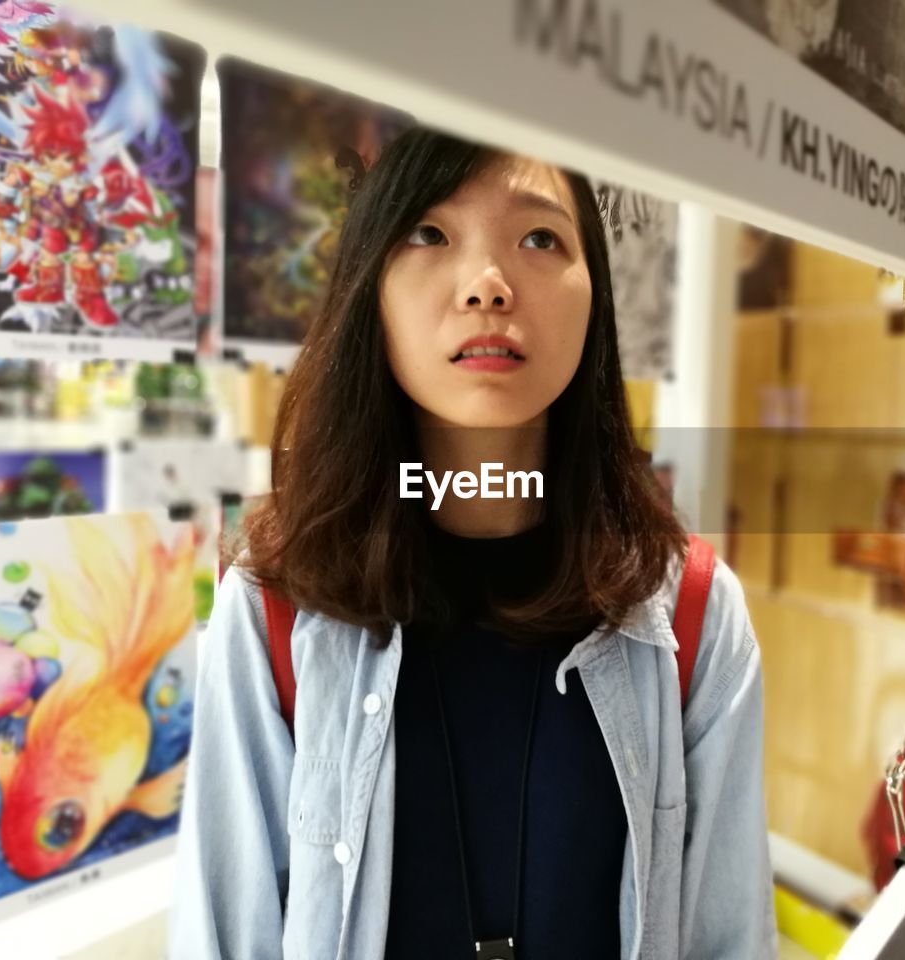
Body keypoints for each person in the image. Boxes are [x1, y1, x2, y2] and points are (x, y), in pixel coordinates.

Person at [169, 126, 775, 959]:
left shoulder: (693, 615)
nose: (487, 285)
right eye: (428, 233)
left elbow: (727, 939)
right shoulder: (275, 604)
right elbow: (222, 936)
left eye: (538, 237)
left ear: (595, 292)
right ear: (369, 287)